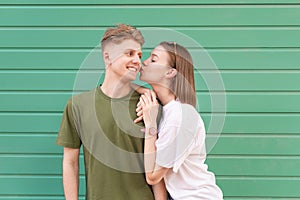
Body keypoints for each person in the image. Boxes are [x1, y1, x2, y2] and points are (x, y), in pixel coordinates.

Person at [56, 24, 166, 200]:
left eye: (139, 55)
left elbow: (158, 169)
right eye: (129, 53)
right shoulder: (78, 106)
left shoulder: (149, 105)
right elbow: (70, 162)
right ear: (107, 57)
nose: (137, 61)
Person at [136, 42, 224, 199]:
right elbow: (124, 85)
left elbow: (153, 176)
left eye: (154, 59)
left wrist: (151, 126)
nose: (145, 62)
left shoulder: (179, 117)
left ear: (170, 72)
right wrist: (143, 90)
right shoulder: (168, 109)